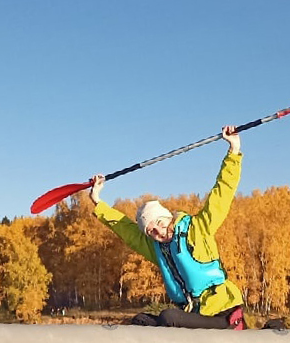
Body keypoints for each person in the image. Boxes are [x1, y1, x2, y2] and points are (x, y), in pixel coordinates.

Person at [89, 126, 246, 329]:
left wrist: (234, 150)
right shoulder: (157, 248)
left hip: (222, 313)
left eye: (160, 224)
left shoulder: (197, 229)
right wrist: (97, 201)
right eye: (151, 231)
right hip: (195, 313)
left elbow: (222, 194)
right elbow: (125, 229)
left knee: (168, 317)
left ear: (168, 218)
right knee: (140, 320)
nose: (159, 232)